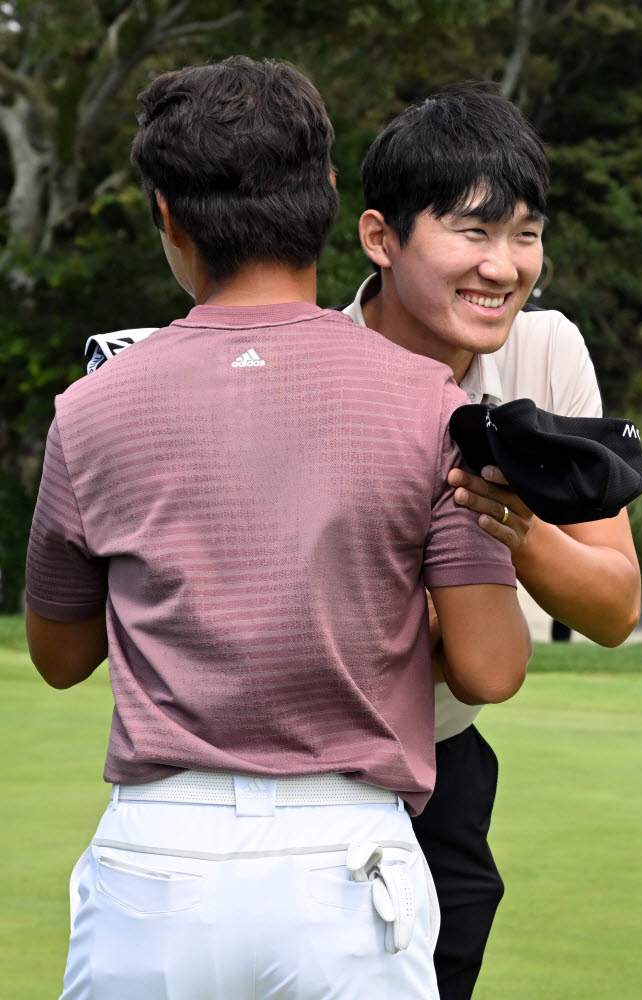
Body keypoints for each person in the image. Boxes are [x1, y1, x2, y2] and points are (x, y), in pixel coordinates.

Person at [24, 60, 531, 1000]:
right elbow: (490, 668)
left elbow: (59, 654)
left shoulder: (91, 408)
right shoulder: (433, 402)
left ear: (167, 215)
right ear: (334, 198)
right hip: (348, 866)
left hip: (156, 860)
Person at [343, 84, 641, 998]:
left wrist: (510, 529)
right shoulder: (318, 365)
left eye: (524, 233)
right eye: (472, 232)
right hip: (330, 776)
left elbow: (613, 604)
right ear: (380, 238)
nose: (503, 265)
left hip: (450, 762)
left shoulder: (546, 348)